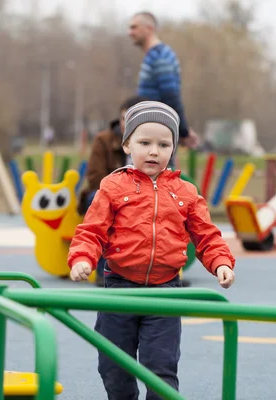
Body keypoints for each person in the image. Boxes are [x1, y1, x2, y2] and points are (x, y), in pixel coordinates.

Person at [68, 101, 235, 399]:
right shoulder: (113, 186)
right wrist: (82, 257)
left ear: (173, 148)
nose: (154, 151)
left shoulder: (185, 192)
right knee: (113, 368)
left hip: (165, 293)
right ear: (128, 144)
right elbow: (92, 230)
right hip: (120, 289)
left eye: (164, 144)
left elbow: (207, 235)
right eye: (145, 143)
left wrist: (221, 262)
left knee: (161, 369)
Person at [78, 95, 147, 286]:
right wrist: (124, 195)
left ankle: (162, 271)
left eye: (134, 118)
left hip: (145, 195)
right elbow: (95, 177)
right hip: (108, 193)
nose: (128, 123)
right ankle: (103, 271)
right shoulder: (104, 140)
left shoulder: (153, 141)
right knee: (98, 201)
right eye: (125, 118)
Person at [128, 11, 200, 159]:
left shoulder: (160, 56)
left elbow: (171, 95)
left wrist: (183, 131)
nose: (130, 32)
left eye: (134, 27)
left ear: (149, 28)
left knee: (162, 178)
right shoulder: (153, 56)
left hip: (158, 134)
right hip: (151, 131)